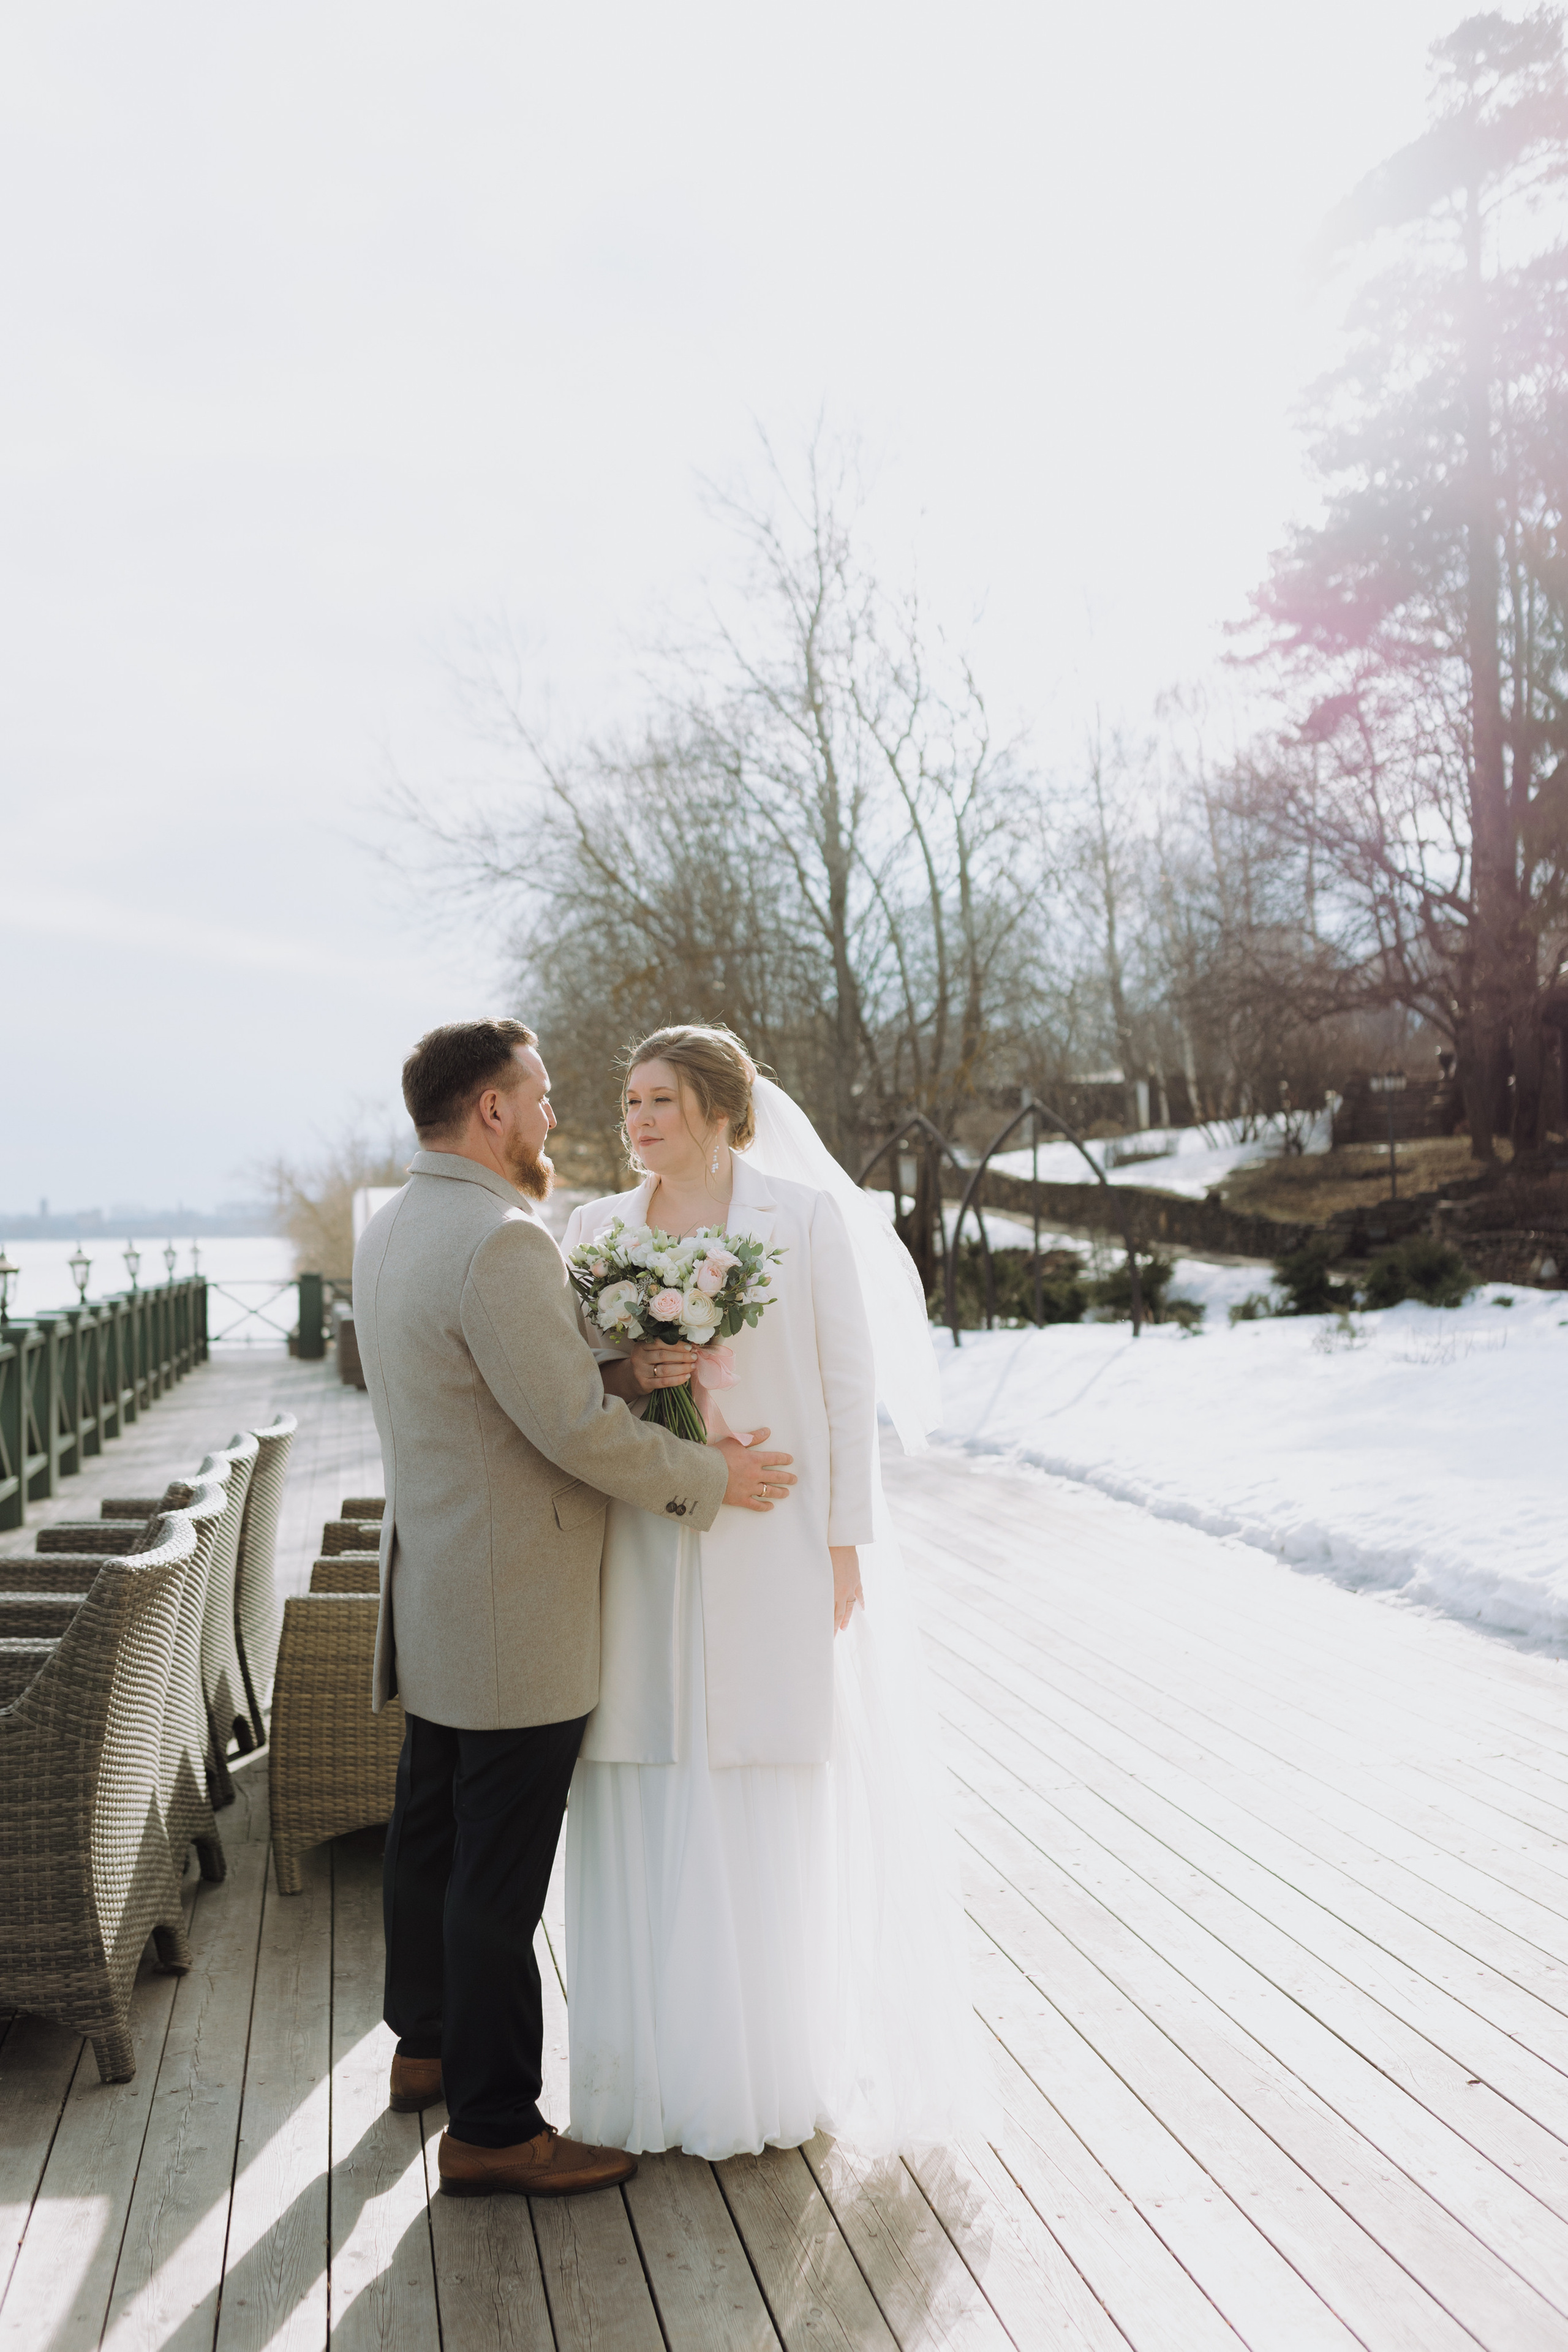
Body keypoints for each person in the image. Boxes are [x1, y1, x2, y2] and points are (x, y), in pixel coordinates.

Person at [351, 1017, 797, 2199]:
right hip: (517, 1610)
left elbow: (488, 1392)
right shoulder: (501, 1239)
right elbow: (572, 1436)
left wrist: (612, 1369)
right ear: (491, 1110)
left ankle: (427, 2046)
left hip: (439, 1587)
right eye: (541, 1097)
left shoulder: (395, 1225)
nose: (557, 1116)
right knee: (499, 1879)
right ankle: (497, 2128)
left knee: (431, 1834)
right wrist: (714, 1478)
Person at [562, 1024, 978, 2160]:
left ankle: (767, 2076)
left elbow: (850, 1392)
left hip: (777, 1538)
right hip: (641, 1544)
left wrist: (845, 1541)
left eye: (657, 1101)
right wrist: (639, 1375)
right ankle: (643, 2078)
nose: (636, 1119)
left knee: (760, 1772)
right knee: (647, 1767)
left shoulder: (801, 1222)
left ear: (713, 1108)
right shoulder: (594, 1232)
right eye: (629, 1101)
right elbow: (572, 1385)